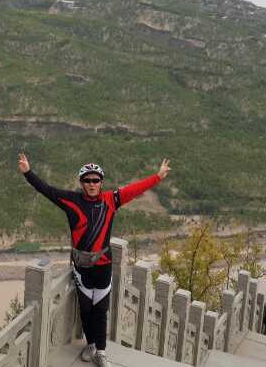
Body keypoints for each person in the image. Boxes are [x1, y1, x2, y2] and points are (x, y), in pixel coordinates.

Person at [18, 153, 170, 367]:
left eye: (96, 180)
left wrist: (158, 177)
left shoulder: (111, 200)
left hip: (104, 265)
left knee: (100, 310)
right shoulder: (71, 201)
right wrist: (28, 173)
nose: (92, 184)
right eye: (87, 180)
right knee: (86, 309)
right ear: (82, 183)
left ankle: (101, 351)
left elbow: (135, 189)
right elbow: (47, 190)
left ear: (101, 182)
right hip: (81, 267)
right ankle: (90, 345)